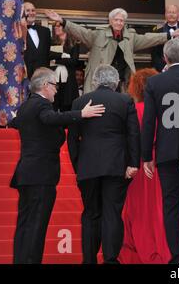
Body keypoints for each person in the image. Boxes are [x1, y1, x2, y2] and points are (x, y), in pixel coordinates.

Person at [9, 67, 105, 264]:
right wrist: (81, 114)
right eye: (54, 86)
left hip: (26, 174)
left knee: (25, 224)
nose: (56, 90)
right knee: (36, 226)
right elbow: (49, 118)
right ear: (45, 86)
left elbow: (18, 124)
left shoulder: (26, 106)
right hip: (40, 176)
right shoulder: (41, 106)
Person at [67, 65, 140, 264]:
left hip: (87, 166)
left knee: (90, 213)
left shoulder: (79, 101)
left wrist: (77, 165)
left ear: (96, 81)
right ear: (116, 82)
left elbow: (72, 139)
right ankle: (110, 259)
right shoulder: (125, 100)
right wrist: (133, 163)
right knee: (112, 212)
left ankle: (88, 260)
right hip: (116, 165)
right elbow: (133, 134)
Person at [45, 8, 179, 93]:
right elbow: (80, 31)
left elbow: (149, 38)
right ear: (110, 21)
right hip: (99, 82)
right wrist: (63, 21)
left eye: (121, 20)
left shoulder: (130, 37)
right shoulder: (98, 35)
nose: (119, 23)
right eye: (116, 20)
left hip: (121, 83)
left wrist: (170, 34)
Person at [141, 39, 179, 264]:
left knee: (171, 206)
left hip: (167, 151)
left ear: (165, 58)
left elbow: (149, 122)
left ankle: (178, 257)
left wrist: (146, 156)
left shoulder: (155, 82)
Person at [118, 67, 171, 264]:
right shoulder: (165, 109)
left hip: (136, 164)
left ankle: (132, 249)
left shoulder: (131, 110)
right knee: (158, 208)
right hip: (158, 164)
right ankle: (158, 248)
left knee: (135, 208)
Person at [0, 0, 28, 128]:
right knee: (12, 82)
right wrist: (24, 43)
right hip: (10, 48)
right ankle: (11, 119)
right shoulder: (17, 0)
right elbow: (22, 24)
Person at [151, 5, 179, 72]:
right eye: (169, 12)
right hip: (162, 71)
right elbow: (154, 54)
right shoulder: (157, 32)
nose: (171, 15)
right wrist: (163, 68)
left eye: (174, 12)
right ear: (165, 15)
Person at [51, 22, 80, 111]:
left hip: (69, 80)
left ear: (65, 28)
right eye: (54, 26)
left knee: (67, 106)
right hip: (54, 79)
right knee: (54, 105)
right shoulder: (52, 42)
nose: (56, 28)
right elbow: (49, 57)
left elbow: (73, 61)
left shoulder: (74, 43)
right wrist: (63, 56)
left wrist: (56, 60)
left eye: (58, 26)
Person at [23, 2, 52, 80]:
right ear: (22, 13)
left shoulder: (45, 31)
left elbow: (47, 55)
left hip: (42, 78)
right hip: (24, 76)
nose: (31, 13)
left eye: (33, 10)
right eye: (28, 10)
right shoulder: (17, 31)